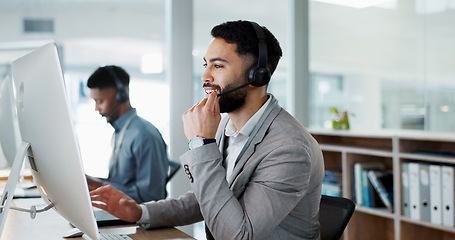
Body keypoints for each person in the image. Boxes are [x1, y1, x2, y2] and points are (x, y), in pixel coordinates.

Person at [90, 20, 324, 240]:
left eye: (218, 65)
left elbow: (238, 235)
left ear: (256, 76)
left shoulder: (289, 148)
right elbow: (208, 198)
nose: (205, 76)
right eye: (206, 64)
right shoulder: (225, 126)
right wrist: (140, 213)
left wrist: (201, 143)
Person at [85, 65, 170, 204]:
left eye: (100, 101)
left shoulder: (144, 135)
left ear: (121, 94)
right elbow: (120, 184)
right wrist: (91, 183)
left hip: (138, 221)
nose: (96, 109)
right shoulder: (119, 133)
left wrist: (99, 186)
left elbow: (151, 197)